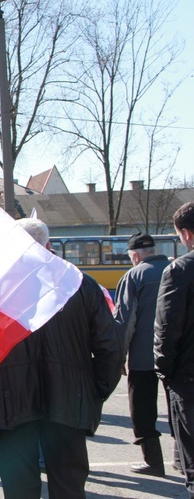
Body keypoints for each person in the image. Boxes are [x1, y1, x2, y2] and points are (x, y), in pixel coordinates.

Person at [0, 218, 123, 499]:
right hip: (68, 400)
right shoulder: (82, 284)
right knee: (68, 486)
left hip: (8, 403)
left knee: (19, 489)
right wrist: (96, 390)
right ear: (49, 246)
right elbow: (111, 347)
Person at [114, 232, 170, 476]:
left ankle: (153, 461)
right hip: (179, 356)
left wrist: (119, 356)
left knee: (143, 409)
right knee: (181, 408)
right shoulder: (178, 268)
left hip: (143, 357)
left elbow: (126, 321)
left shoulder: (134, 276)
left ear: (135, 256)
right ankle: (182, 458)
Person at [154, 201, 194, 497]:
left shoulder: (180, 271)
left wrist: (164, 371)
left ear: (187, 234)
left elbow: (167, 329)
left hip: (189, 380)